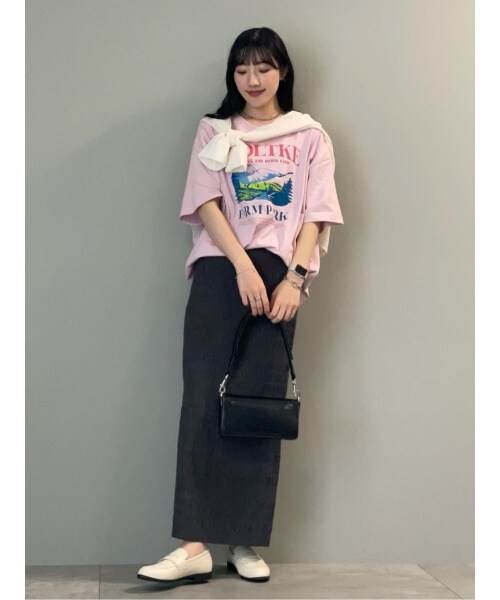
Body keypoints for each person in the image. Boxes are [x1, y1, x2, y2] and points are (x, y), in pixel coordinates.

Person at [137, 26, 344, 586]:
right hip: (222, 268)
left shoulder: (310, 136)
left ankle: (243, 540)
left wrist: (295, 279)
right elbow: (206, 203)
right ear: (232, 75)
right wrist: (243, 268)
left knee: (259, 403)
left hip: (283, 276)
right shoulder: (215, 129)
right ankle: (193, 545)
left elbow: (317, 212)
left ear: (282, 72)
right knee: (203, 399)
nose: (253, 79)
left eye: (264, 68)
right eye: (242, 68)